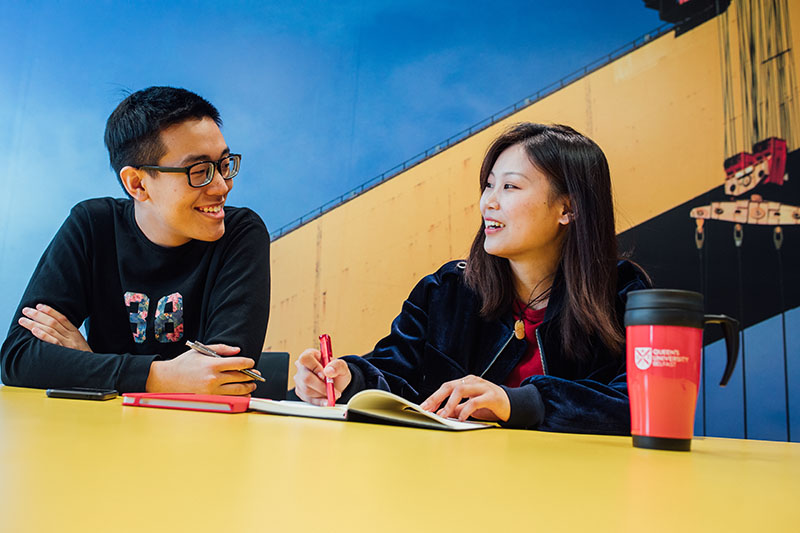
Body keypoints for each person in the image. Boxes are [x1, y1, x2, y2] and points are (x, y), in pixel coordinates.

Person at [294, 122, 650, 434]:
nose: (488, 203)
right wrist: (348, 379)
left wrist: (520, 402)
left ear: (567, 208)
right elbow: (392, 372)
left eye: (510, 187)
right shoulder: (446, 290)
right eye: (489, 185)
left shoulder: (622, 295)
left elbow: (642, 402)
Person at [1, 86, 270, 395]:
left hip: (199, 437)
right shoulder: (92, 226)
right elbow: (18, 358)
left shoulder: (240, 233)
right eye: (199, 171)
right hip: (103, 433)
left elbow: (225, 377)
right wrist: (161, 376)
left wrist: (90, 363)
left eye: (224, 164)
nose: (222, 186)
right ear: (138, 183)